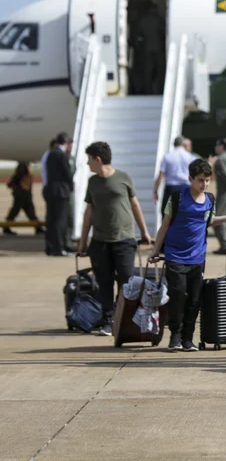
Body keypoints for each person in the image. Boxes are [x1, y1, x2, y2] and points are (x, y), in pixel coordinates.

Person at [150, 159, 226, 351]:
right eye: (200, 180)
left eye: (207, 180)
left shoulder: (210, 200)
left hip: (197, 257)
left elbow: (208, 221)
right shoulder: (177, 198)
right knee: (178, 295)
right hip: (175, 255)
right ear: (190, 179)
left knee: (194, 300)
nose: (205, 184)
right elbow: (165, 225)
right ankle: (175, 335)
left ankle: (187, 339)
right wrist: (155, 250)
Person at [77, 142, 153, 336]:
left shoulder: (123, 178)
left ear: (98, 159)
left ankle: (125, 318)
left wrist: (144, 232)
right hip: (100, 241)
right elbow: (89, 212)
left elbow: (135, 205)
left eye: (89, 160)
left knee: (127, 281)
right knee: (104, 283)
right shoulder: (93, 182)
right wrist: (83, 240)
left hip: (124, 239)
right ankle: (109, 320)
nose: (88, 164)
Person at [44, 134, 74, 256]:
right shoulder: (62, 155)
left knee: (51, 220)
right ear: (66, 143)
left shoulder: (50, 153)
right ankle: (59, 248)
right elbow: (67, 174)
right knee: (60, 221)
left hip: (50, 190)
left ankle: (50, 247)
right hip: (61, 192)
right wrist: (71, 187)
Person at [154, 136, 196, 216]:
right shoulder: (190, 157)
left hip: (171, 188)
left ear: (174, 145)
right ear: (183, 144)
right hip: (185, 187)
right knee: (184, 214)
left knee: (167, 214)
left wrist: (155, 191)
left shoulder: (167, 157)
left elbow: (161, 175)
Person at [4, 162, 44, 236]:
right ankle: (38, 228)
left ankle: (38, 228)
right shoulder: (23, 167)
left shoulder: (24, 168)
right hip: (23, 194)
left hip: (23, 194)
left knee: (27, 212)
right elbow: (18, 177)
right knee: (23, 211)